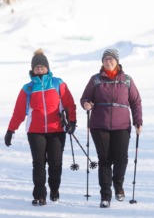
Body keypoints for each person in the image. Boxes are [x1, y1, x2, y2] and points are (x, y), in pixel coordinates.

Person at [4, 49, 77, 206]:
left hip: (57, 129)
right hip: (35, 132)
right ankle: (39, 195)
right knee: (38, 163)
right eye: (37, 67)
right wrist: (11, 130)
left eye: (42, 67)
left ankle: (54, 190)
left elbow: (69, 104)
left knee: (55, 163)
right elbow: (18, 113)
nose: (40, 69)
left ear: (47, 68)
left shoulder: (58, 83)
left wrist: (72, 122)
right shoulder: (27, 89)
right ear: (32, 69)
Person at [80, 48, 143, 208]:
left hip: (122, 126)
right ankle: (105, 196)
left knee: (121, 159)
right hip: (99, 125)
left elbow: (136, 102)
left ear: (117, 62)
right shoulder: (95, 80)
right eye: (106, 59)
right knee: (105, 160)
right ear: (102, 62)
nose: (108, 61)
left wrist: (138, 121)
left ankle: (118, 185)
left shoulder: (127, 80)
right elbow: (85, 98)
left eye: (111, 59)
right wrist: (86, 104)